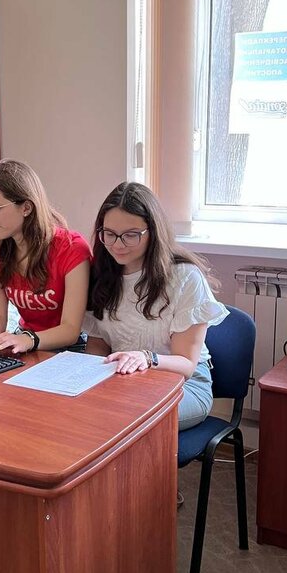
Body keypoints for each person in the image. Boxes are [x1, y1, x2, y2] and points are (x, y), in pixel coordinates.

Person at [82, 181, 228, 430]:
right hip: (124, 379)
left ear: (153, 231)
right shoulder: (101, 274)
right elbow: (98, 343)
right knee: (82, 411)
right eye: (109, 234)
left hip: (182, 384)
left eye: (130, 235)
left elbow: (186, 364)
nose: (118, 244)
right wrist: (89, 376)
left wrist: (146, 358)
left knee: (120, 418)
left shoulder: (185, 277)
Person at [0, 159, 90, 353]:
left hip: (69, 348)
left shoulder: (73, 248)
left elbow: (70, 330)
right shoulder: (0, 250)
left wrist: (28, 339)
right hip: (26, 341)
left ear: (26, 208)